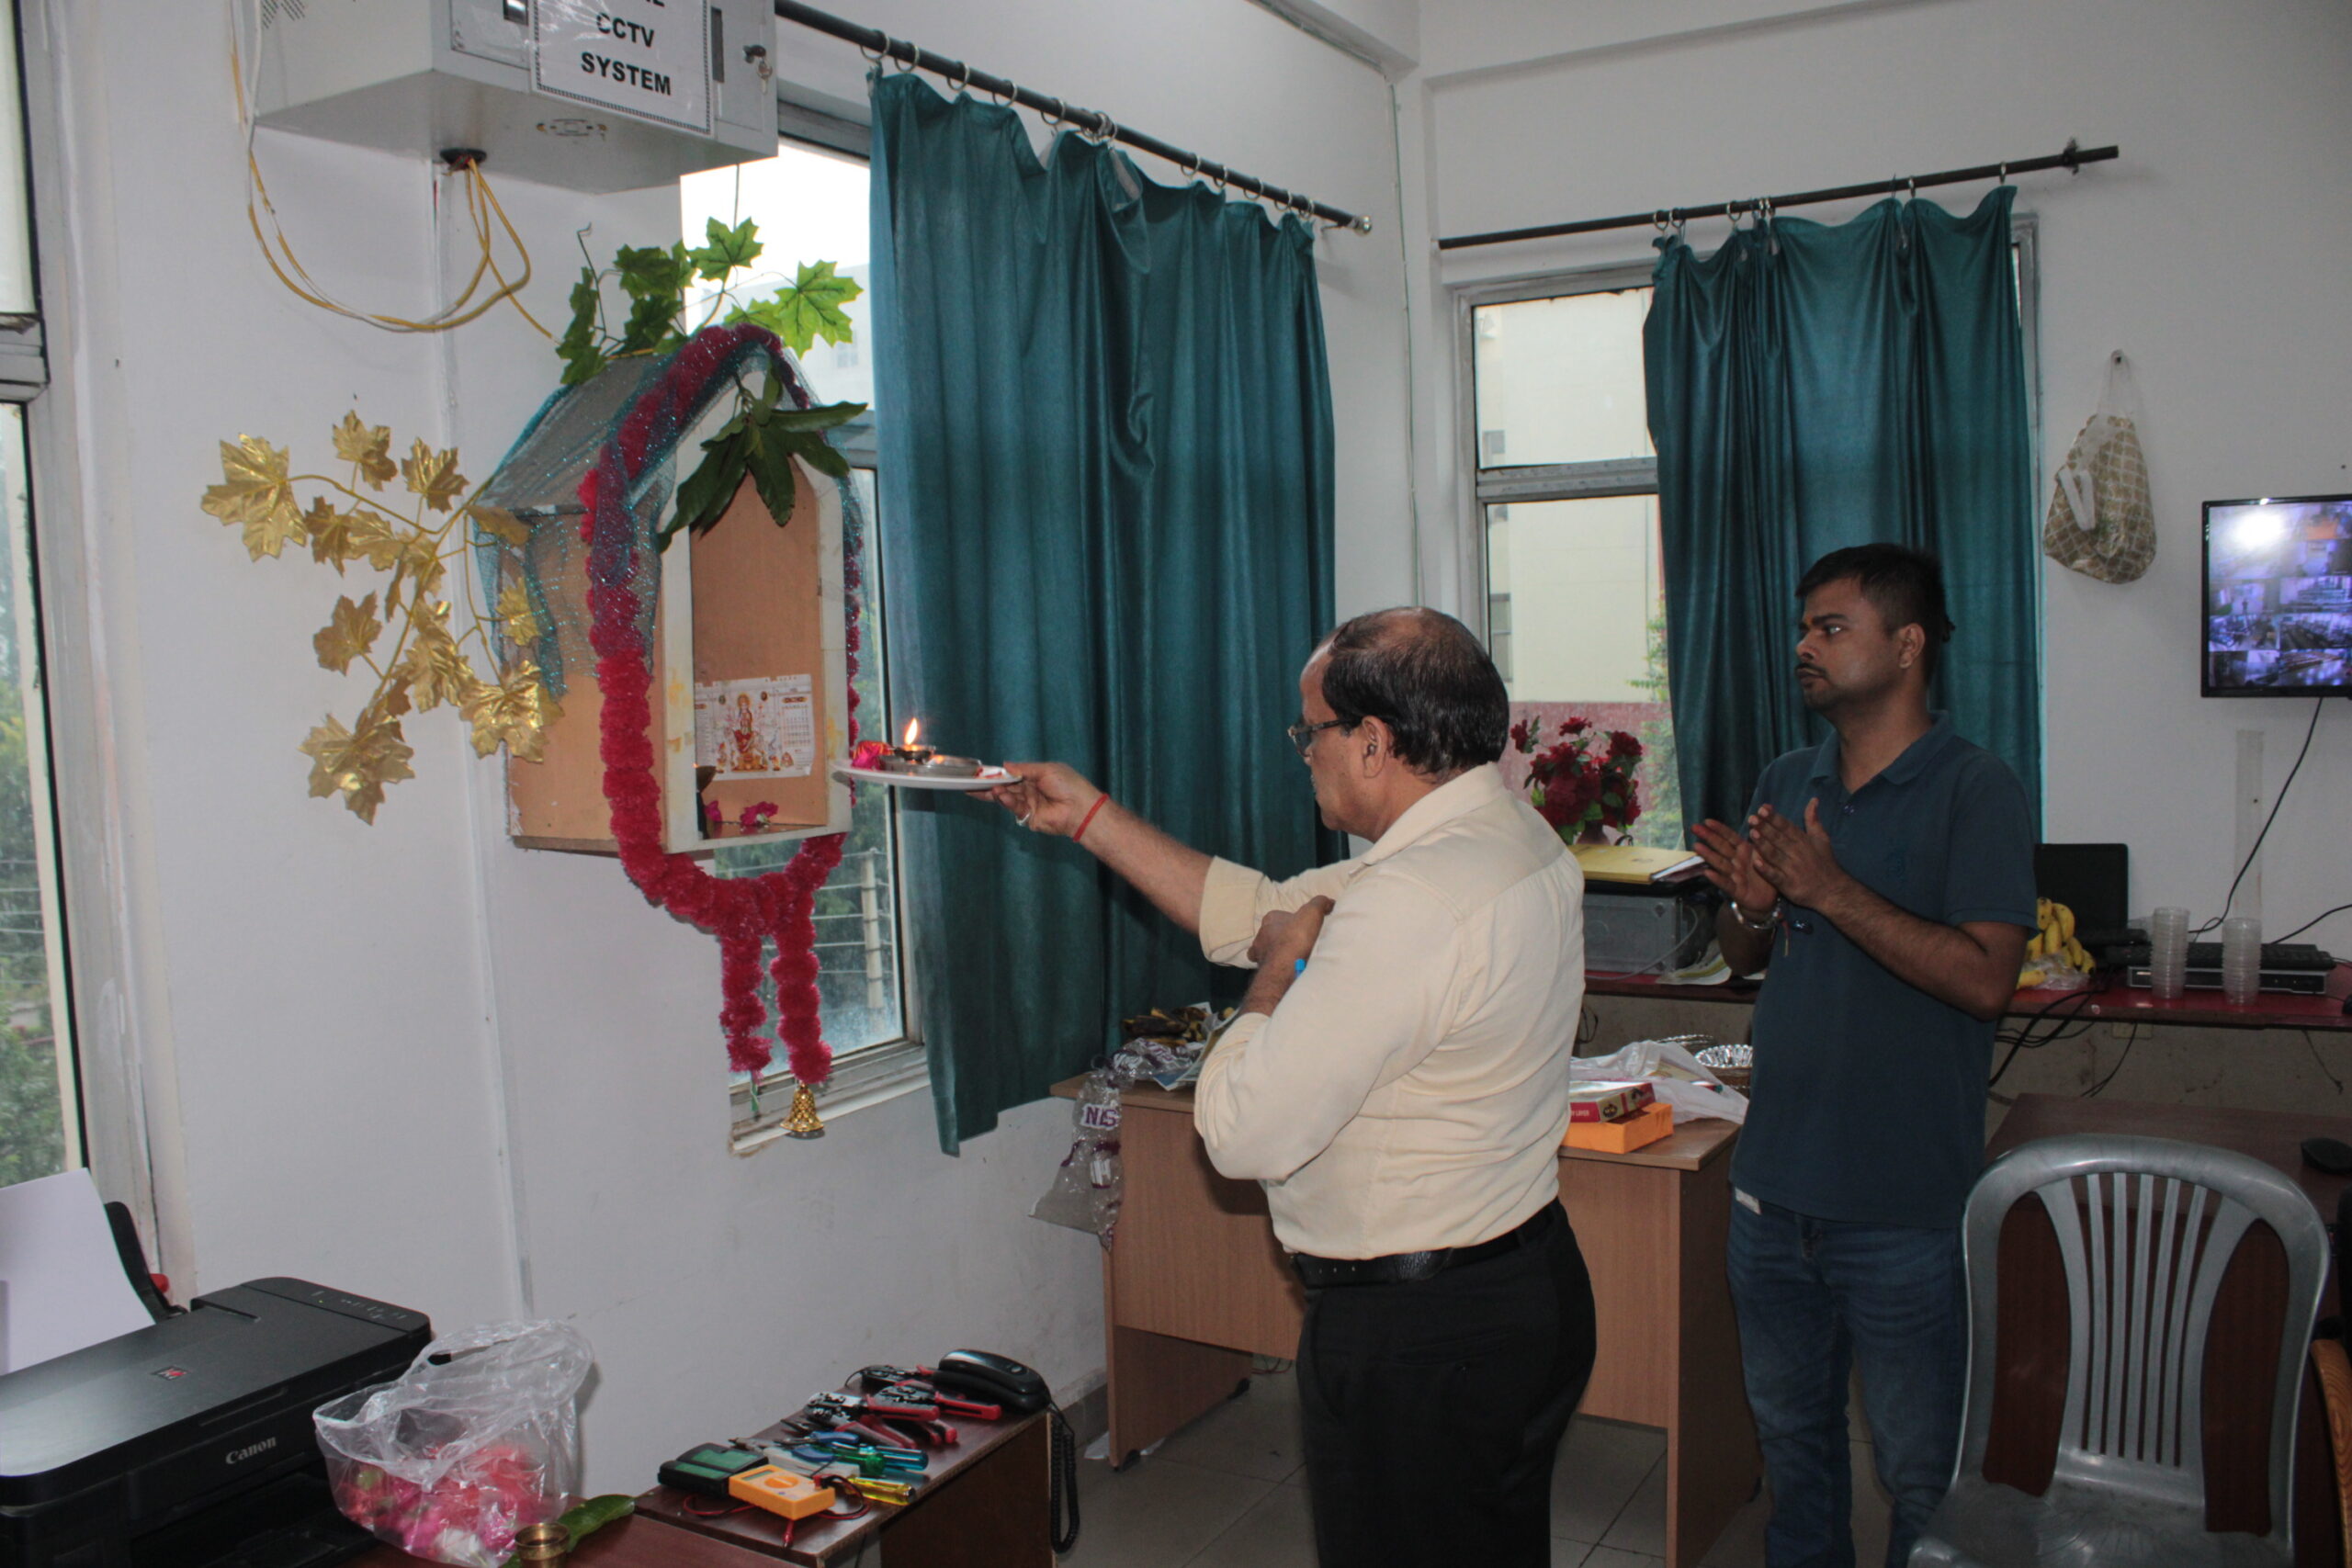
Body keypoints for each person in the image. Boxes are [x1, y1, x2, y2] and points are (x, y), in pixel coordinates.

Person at [986, 607, 1596, 1567]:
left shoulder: (1411, 901)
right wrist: (1090, 817)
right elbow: (1268, 910)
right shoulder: (1503, 834)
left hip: (1419, 1336)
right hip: (1520, 1289)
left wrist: (1270, 985)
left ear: (1373, 742)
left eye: (1310, 731)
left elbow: (1242, 1132)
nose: (1303, 752)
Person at [1690, 545, 2035, 1568]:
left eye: (1831, 627)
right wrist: (1755, 908)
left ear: (1908, 643)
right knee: (1794, 1454)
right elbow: (1746, 953)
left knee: (1921, 1471)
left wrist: (1829, 890)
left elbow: (1987, 979)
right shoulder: (1787, 779)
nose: (1805, 644)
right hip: (1771, 1194)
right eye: (1804, 627)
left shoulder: (1976, 788)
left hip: (1903, 1211)